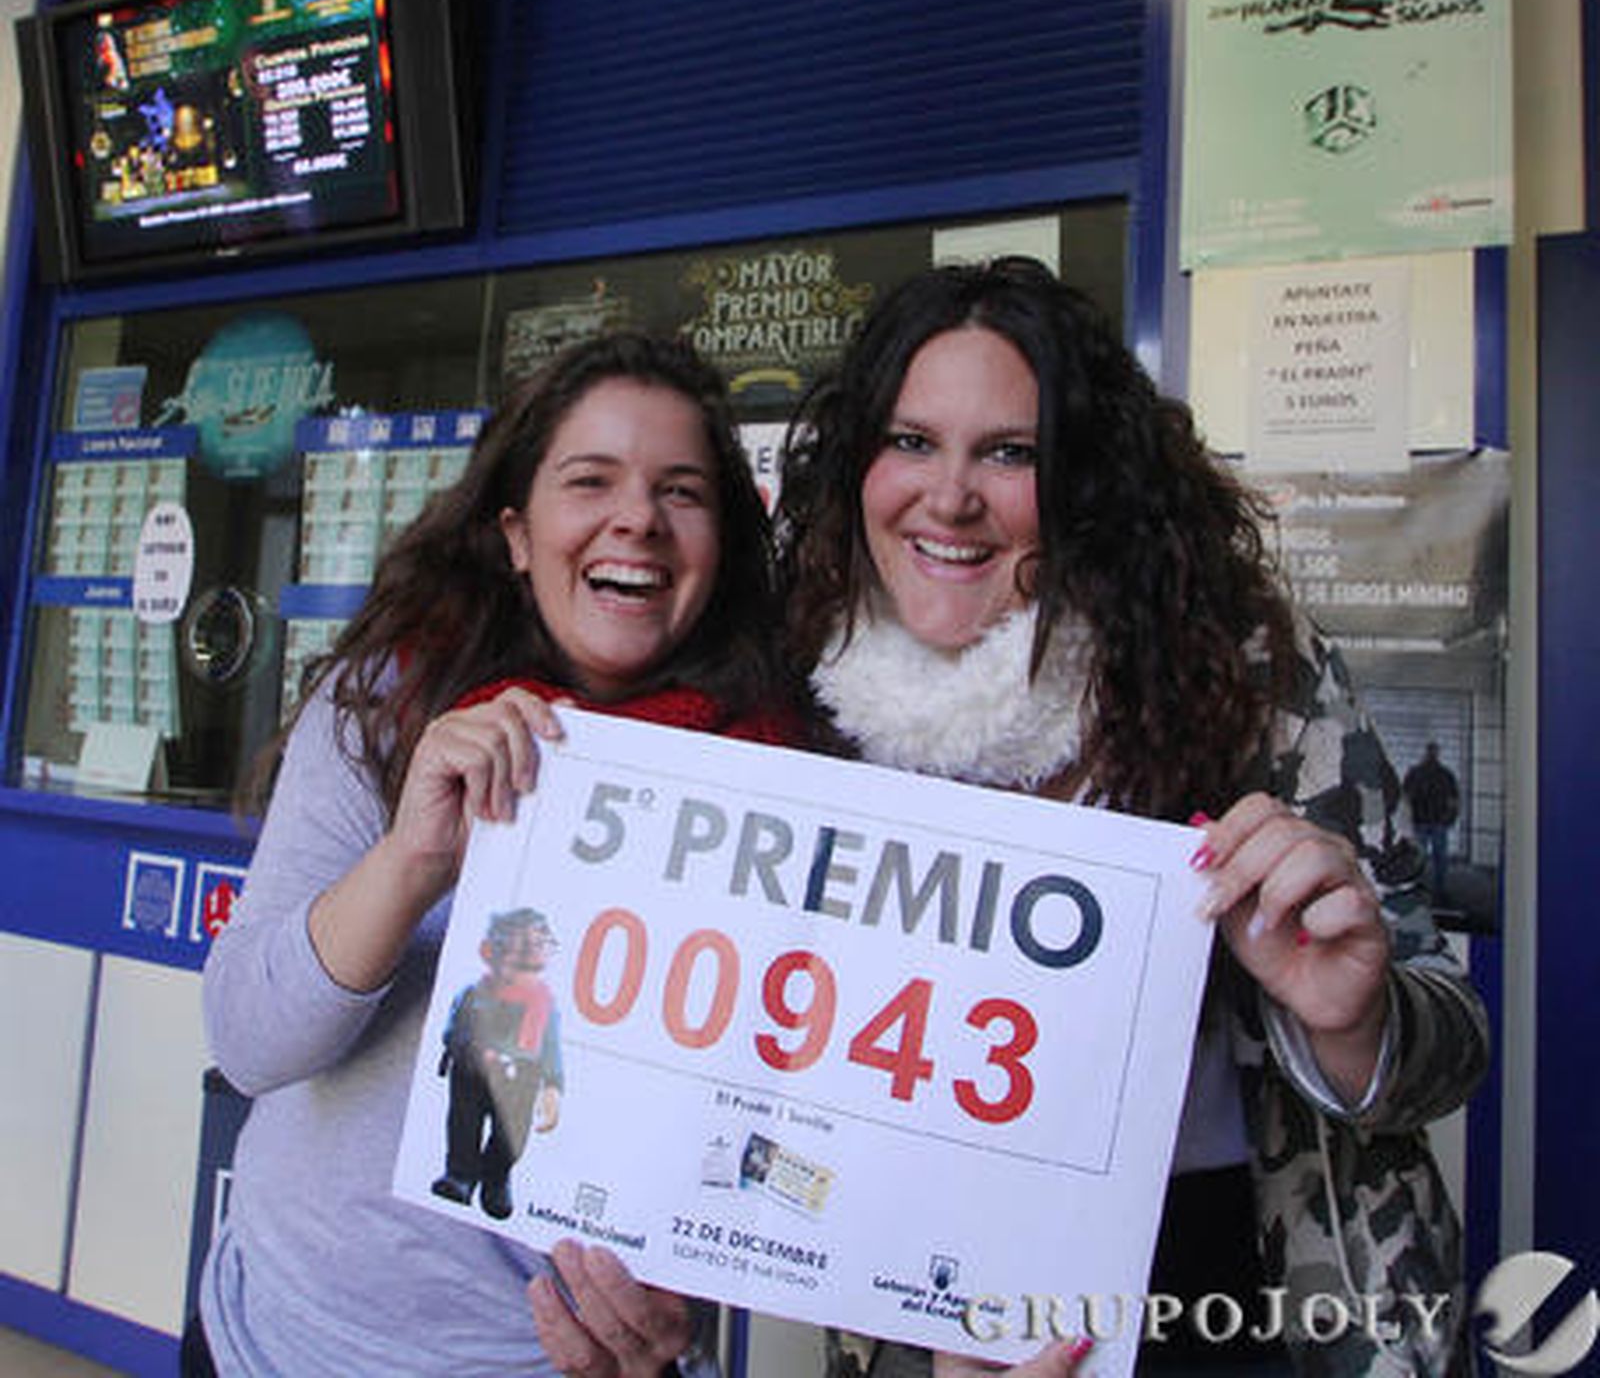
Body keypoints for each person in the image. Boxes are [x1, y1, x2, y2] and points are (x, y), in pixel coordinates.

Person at [773, 258, 1489, 1378]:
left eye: (1009, 451)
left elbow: (1447, 1050)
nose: (949, 495)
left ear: (1086, 478)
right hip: (923, 1304)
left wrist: (1353, 1020)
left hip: (1236, 1291)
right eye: (910, 440)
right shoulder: (805, 691)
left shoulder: (1248, 672)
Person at [193, 332, 795, 1378]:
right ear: (517, 531)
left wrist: (688, 1299)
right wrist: (414, 855)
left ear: (722, 541)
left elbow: (794, 1128)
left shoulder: (782, 779)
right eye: (589, 480)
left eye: (682, 490)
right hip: (272, 1338)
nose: (637, 518)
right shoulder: (385, 704)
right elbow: (250, 1041)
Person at [433, 907, 565, 1222]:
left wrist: (553, 1087)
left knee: (511, 1135)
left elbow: (551, 1047)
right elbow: (454, 1030)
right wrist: (472, 1049)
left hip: (521, 1076)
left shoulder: (544, 1002)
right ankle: (460, 1176)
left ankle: (496, 1181)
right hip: (471, 1072)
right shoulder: (473, 992)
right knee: (463, 1124)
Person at [1402, 742, 1460, 904]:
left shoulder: (1417, 773)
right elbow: (1454, 800)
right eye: (1431, 752)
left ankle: (1422, 888)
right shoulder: (1444, 774)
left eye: (1432, 752)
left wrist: (1451, 818)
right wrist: (1451, 818)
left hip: (1427, 822)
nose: (1431, 756)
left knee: (1424, 858)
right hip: (1432, 822)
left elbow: (1404, 798)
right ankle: (1435, 890)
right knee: (1436, 858)